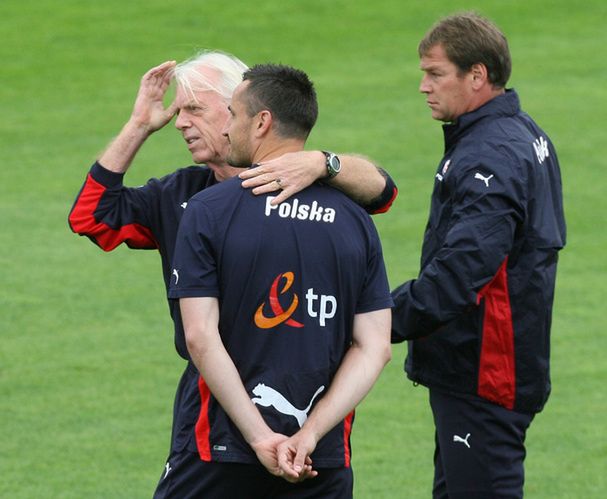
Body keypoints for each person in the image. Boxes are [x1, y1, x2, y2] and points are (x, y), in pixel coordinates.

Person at [68, 50, 397, 496]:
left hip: (223, 436)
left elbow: (383, 190)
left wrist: (324, 162)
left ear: (244, 114)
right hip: (304, 444)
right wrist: (138, 126)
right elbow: (91, 217)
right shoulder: (182, 194)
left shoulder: (277, 190)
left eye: (194, 109)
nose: (181, 122)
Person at [168, 63, 392, 498]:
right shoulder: (355, 221)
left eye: (232, 115)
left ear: (262, 122)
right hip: (318, 461)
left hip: (219, 452)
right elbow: (375, 346)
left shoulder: (209, 210)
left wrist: (258, 436)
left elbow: (200, 337)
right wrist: (308, 436)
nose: (228, 129)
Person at [390, 12, 566, 498]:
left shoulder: (489, 154)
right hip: (486, 367)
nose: (424, 86)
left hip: (484, 374)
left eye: (435, 73)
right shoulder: (522, 132)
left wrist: (376, 319)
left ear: (477, 75)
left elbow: (459, 275)